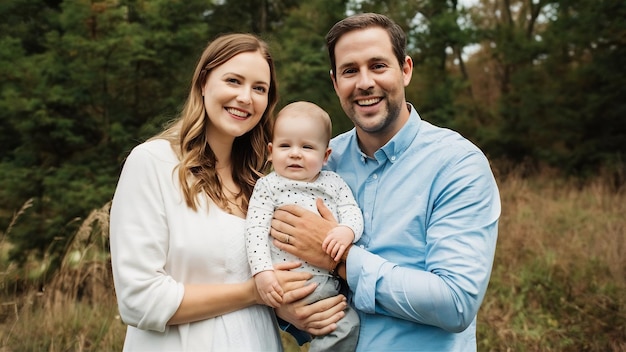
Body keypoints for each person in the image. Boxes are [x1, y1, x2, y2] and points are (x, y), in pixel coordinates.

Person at [271, 13, 501, 351]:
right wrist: (287, 310)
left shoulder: (457, 165)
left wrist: (340, 259)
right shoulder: (321, 162)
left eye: (378, 66)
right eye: (350, 71)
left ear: (405, 69)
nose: (364, 82)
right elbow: (282, 258)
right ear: (335, 83)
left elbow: (456, 303)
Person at [109, 33, 346, 352]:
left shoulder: (261, 185)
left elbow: (266, 283)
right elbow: (139, 300)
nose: (246, 97)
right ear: (204, 83)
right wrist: (252, 293)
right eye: (233, 81)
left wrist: (289, 310)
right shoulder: (153, 163)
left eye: (259, 88)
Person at [246, 101, 362, 351]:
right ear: (270, 150)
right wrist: (262, 272)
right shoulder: (268, 185)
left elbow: (352, 211)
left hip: (328, 282)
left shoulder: (333, 182)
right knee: (343, 325)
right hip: (286, 280)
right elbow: (255, 230)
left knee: (344, 325)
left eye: (307, 147)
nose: (295, 153)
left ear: (325, 155)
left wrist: (347, 231)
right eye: (285, 145)